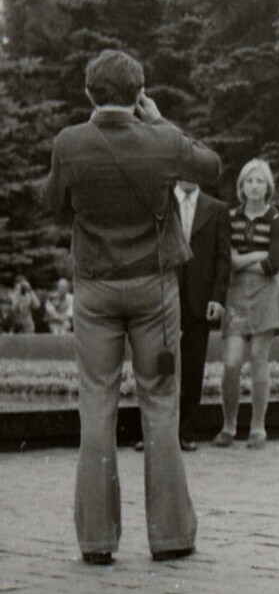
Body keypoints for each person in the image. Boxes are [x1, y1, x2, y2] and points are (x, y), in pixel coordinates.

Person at [43, 48, 219, 565]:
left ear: (88, 92)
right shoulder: (161, 139)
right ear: (139, 94)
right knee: (161, 403)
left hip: (96, 291)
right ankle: (170, 536)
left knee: (96, 406)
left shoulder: (69, 142)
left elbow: (52, 202)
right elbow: (209, 166)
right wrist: (161, 120)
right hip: (155, 293)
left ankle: (96, 540)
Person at [214, 159, 279, 450]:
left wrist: (241, 260)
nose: (254, 186)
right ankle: (229, 426)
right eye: (249, 181)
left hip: (267, 294)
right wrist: (254, 256)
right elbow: (226, 261)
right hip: (236, 295)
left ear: (268, 186)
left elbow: (272, 265)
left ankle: (258, 428)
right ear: (242, 187)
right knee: (231, 362)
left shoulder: (276, 220)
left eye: (260, 181)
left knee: (259, 356)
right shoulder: (230, 217)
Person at [173, 177, 231, 450]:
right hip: (164, 295)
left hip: (200, 298)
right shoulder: (159, 202)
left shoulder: (216, 209)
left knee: (194, 366)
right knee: (158, 365)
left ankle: (186, 430)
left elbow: (223, 256)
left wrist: (217, 298)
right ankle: (155, 433)